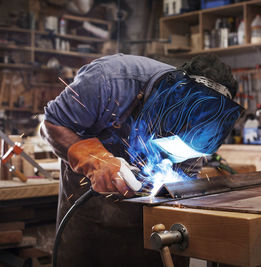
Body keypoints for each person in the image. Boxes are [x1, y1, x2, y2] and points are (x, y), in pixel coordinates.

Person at [40, 53, 242, 266]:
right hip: (90, 219)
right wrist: (96, 161)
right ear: (171, 94)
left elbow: (184, 189)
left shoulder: (205, 128)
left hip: (153, 232)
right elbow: (52, 124)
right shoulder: (110, 79)